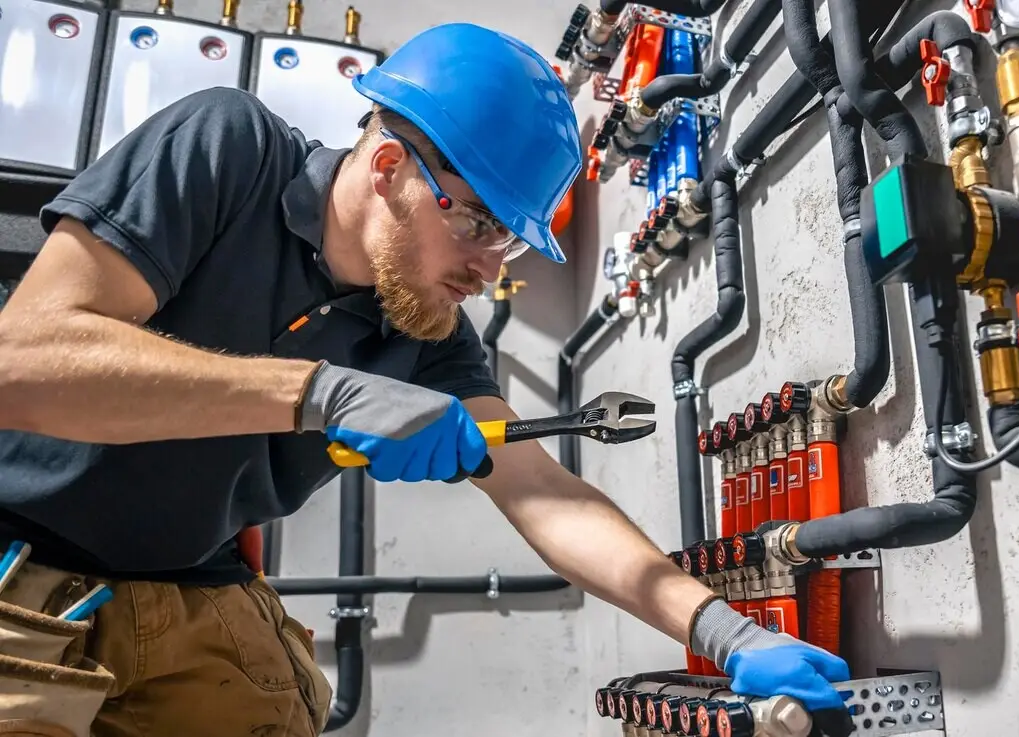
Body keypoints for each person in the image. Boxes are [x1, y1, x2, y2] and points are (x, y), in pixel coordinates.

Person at [0, 21, 848, 737]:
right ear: (388, 169)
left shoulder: (429, 333)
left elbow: (541, 491)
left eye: (509, 241)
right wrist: (316, 391)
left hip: (185, 577)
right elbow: (24, 362)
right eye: (479, 222)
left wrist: (726, 631)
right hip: (18, 552)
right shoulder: (226, 150)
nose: (489, 267)